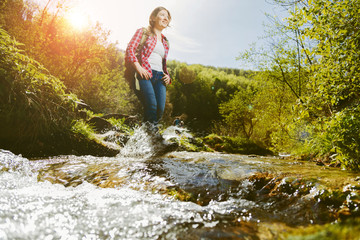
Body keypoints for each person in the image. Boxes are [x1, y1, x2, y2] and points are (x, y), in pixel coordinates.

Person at [125, 7, 172, 133]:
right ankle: (153, 138)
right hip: (145, 73)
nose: (166, 18)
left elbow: (163, 62)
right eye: (162, 15)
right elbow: (130, 50)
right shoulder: (143, 32)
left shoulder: (165, 41)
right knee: (151, 106)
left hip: (160, 78)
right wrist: (138, 67)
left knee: (160, 110)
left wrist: (168, 76)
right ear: (153, 18)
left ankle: (143, 138)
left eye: (167, 17)